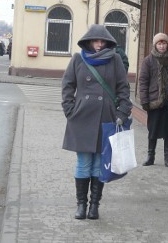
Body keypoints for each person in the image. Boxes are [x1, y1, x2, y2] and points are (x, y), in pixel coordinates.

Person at [61, 24, 132, 220]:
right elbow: (67, 85)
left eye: (102, 41)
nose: (99, 44)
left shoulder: (115, 59)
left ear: (108, 42)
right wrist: (70, 110)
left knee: (99, 165)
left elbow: (123, 89)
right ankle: (81, 206)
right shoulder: (78, 59)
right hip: (81, 118)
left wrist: (122, 113)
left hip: (106, 118)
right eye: (95, 41)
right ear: (89, 42)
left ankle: (94, 206)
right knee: (83, 163)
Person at [138, 33, 168, 167]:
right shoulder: (149, 60)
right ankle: (150, 156)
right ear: (155, 45)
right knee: (152, 130)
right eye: (159, 43)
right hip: (154, 101)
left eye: (164, 43)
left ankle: (167, 158)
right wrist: (144, 100)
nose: (162, 46)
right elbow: (143, 81)